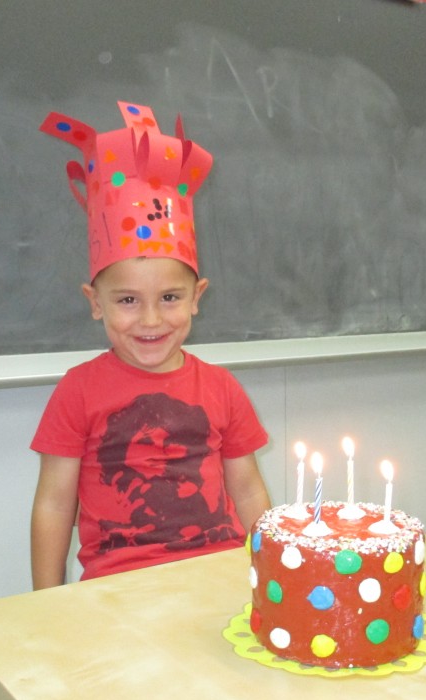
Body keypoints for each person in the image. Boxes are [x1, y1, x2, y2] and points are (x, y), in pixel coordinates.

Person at [31, 101, 271, 587]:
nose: (151, 320)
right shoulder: (77, 391)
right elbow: (54, 504)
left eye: (169, 298)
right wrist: (44, 601)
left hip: (217, 575)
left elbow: (247, 491)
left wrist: (272, 576)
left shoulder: (221, 387)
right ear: (94, 302)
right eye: (127, 300)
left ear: (197, 297)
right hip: (118, 587)